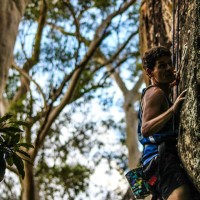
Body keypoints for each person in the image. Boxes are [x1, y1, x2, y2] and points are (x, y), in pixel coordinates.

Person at [137, 46, 198, 200]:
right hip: (159, 158)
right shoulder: (155, 93)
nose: (169, 68)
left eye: (170, 63)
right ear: (150, 72)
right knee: (181, 196)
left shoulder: (159, 92)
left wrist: (171, 86)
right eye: (162, 66)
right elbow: (146, 129)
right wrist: (173, 110)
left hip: (155, 162)